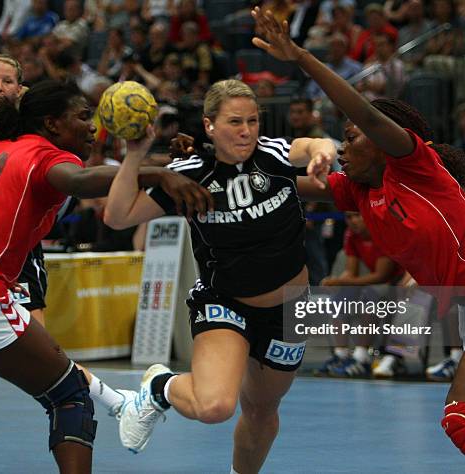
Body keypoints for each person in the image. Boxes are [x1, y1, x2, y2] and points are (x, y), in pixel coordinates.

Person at [252, 8, 465, 472]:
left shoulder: (415, 166)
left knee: (464, 416)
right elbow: (278, 180)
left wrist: (301, 56)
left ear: (382, 140)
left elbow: (360, 107)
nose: (342, 148)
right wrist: (207, 163)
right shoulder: (360, 193)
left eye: (350, 137)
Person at [0, 79, 212, 473]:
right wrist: (159, 176)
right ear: (52, 124)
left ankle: (122, 402)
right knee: (69, 395)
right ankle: (120, 406)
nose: (93, 127)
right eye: (83, 117)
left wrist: (165, 166)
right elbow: (79, 181)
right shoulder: (45, 153)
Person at [103, 78, 335, 473]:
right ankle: (159, 387)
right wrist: (136, 155)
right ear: (210, 126)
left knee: (262, 411)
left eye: (252, 121)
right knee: (215, 407)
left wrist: (323, 153)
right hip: (224, 302)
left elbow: (313, 145)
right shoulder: (189, 172)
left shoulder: (273, 155)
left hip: (288, 309)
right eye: (234, 122)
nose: (246, 131)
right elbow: (118, 216)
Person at [318, 211, 405, 378]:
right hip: (372, 282)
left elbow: (382, 276)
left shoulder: (383, 234)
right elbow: (351, 272)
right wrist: (335, 281)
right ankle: (341, 354)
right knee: (340, 299)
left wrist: (341, 282)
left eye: (358, 216)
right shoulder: (351, 235)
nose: (353, 221)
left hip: (397, 286)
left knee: (371, 296)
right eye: (349, 217)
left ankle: (361, 356)